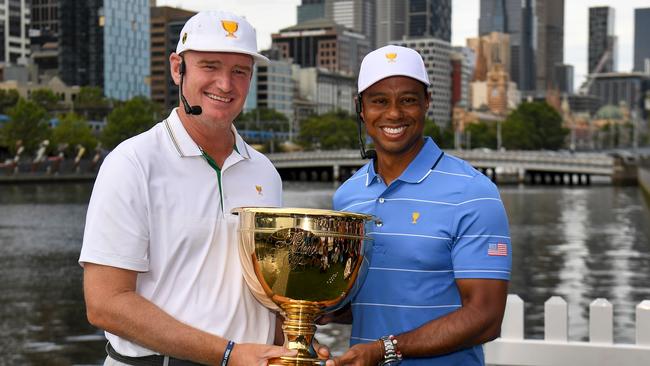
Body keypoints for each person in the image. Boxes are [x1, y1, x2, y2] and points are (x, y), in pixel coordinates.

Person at [79, 11, 298, 366]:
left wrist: (295, 343)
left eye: (239, 71)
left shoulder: (265, 172)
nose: (225, 85)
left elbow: (258, 299)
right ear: (177, 68)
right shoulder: (133, 163)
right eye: (210, 66)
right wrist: (227, 354)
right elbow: (105, 303)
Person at [328, 45, 512, 365]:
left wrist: (385, 349)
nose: (394, 113)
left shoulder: (473, 192)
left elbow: (486, 316)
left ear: (427, 102)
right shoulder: (348, 195)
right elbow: (369, 301)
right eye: (379, 101)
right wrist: (311, 308)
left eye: (408, 100)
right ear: (361, 108)